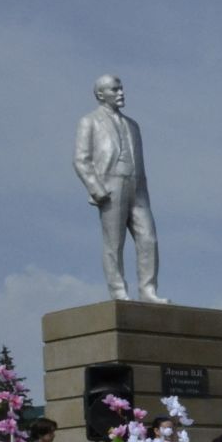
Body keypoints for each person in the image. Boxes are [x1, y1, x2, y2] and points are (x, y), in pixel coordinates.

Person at [71, 73, 166, 303]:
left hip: (137, 186)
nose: (121, 93)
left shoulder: (133, 125)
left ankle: (148, 291)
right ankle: (118, 293)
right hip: (110, 186)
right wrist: (96, 188)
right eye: (115, 89)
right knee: (114, 243)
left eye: (121, 88)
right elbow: (80, 159)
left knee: (148, 239)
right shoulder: (89, 121)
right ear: (101, 94)